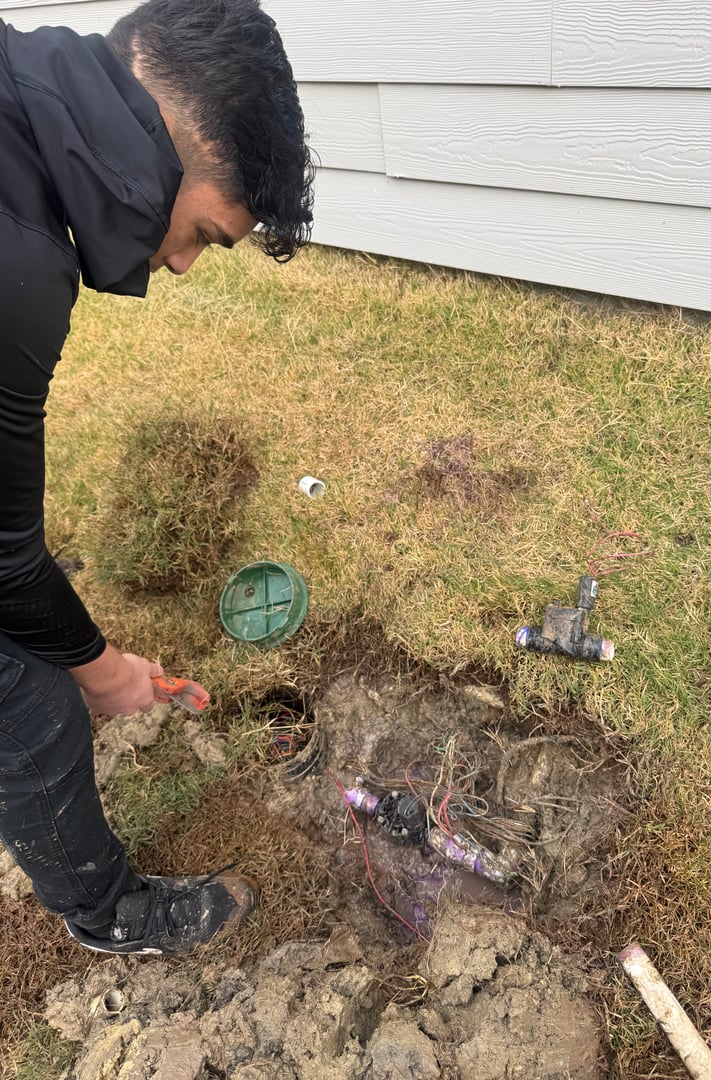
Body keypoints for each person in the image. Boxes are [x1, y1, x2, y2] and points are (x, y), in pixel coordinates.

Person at [0, 0, 313, 955]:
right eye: (209, 234)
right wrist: (99, 672)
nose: (178, 266)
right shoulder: (16, 268)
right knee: (31, 697)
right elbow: (5, 564)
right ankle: (108, 917)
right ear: (171, 143)